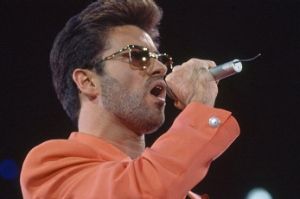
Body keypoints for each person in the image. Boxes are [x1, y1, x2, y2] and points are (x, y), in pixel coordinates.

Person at [20, 0, 240, 198]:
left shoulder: (179, 191)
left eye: (159, 58)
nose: (161, 67)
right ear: (87, 82)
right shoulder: (49, 169)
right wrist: (199, 107)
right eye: (138, 56)